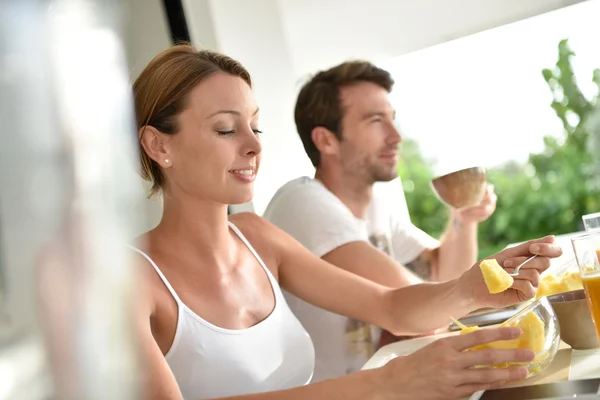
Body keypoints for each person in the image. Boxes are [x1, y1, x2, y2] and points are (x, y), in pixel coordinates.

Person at [129, 44, 560, 400]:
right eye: (225, 130)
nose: (252, 146)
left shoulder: (258, 238)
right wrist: (386, 383)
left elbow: (390, 306)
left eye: (255, 128)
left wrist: (469, 289)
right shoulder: (127, 280)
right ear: (158, 145)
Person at [262, 60, 498, 381]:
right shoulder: (302, 202)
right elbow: (420, 312)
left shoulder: (377, 205)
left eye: (392, 119)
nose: (396, 136)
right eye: (376, 121)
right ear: (326, 140)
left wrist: (464, 218)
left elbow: (444, 276)